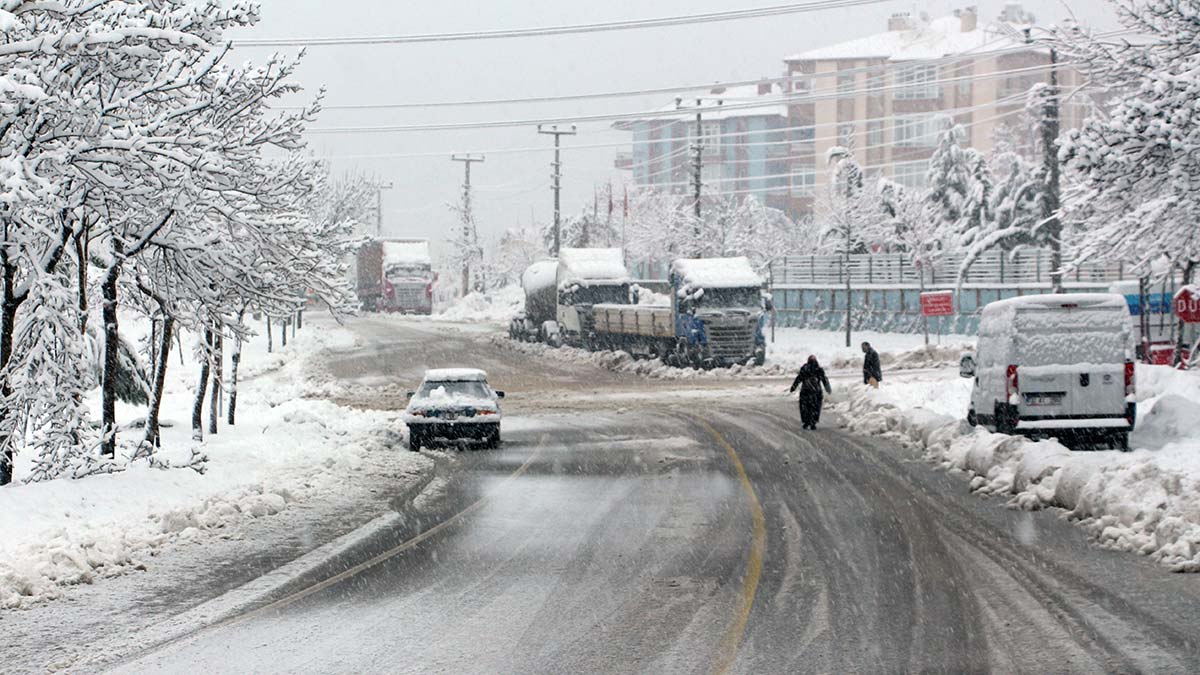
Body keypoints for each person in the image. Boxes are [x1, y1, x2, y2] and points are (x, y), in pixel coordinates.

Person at [788, 355, 832, 430]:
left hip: (806, 391)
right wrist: (828, 389)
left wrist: (793, 387)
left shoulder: (805, 368)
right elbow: (824, 379)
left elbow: (799, 378)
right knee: (815, 407)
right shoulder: (819, 369)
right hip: (816, 392)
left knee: (805, 407)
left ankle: (806, 421)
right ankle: (813, 422)